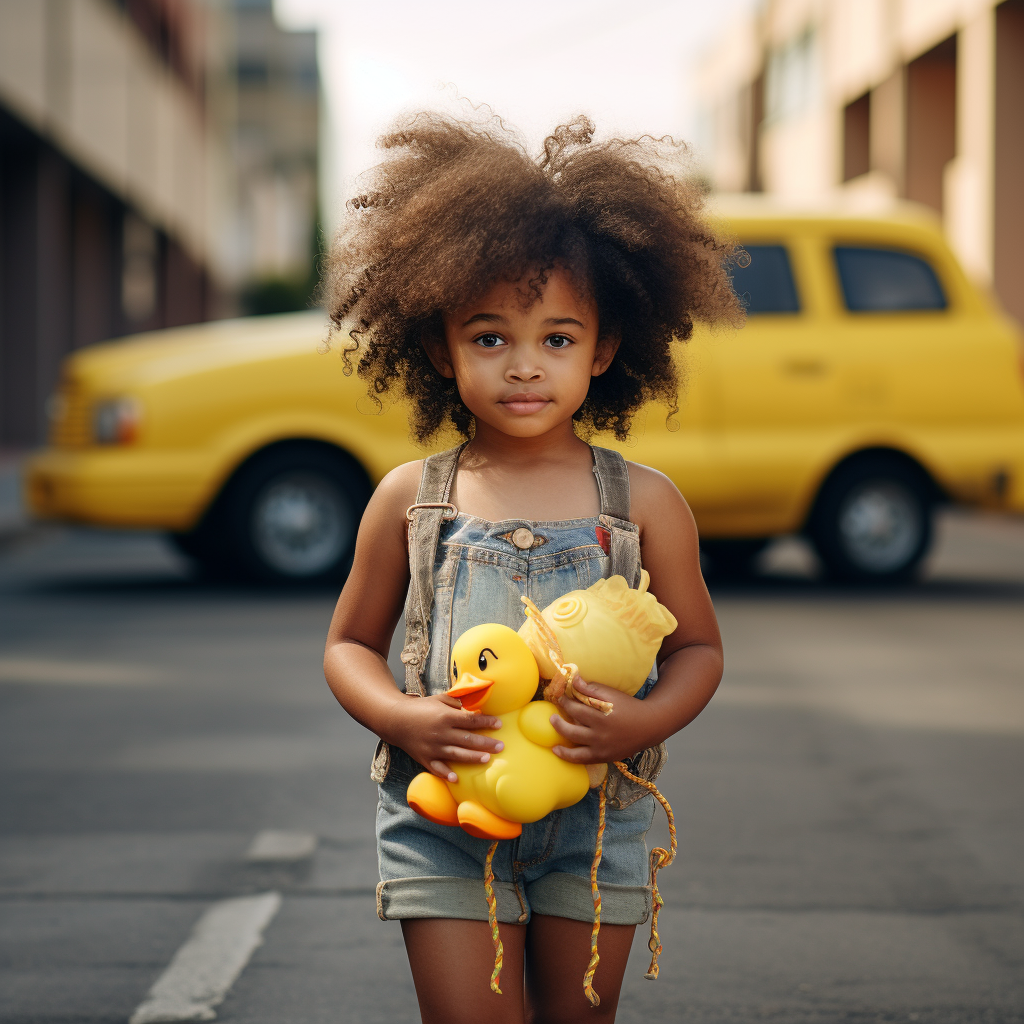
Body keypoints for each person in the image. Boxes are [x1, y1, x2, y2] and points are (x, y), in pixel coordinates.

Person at [323, 111, 741, 1024]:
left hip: (597, 823)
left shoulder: (645, 503)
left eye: (557, 339)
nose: (524, 367)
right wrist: (404, 718)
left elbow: (700, 650)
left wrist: (639, 722)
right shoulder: (409, 498)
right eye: (490, 338)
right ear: (438, 346)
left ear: (604, 349)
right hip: (440, 819)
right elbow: (349, 644)